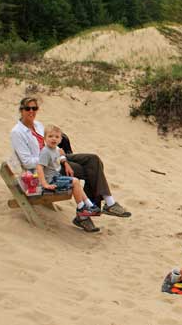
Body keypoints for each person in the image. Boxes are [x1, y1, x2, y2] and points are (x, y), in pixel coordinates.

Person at [9, 96, 132, 228]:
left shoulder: (38, 125)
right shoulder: (17, 132)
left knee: (93, 160)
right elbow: (27, 162)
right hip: (46, 168)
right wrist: (51, 157)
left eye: (35, 108)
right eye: (28, 108)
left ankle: (106, 204)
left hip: (56, 158)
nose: (31, 111)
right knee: (89, 170)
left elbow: (50, 145)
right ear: (21, 110)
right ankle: (90, 212)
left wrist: (63, 159)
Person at [36, 124, 103, 232]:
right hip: (51, 181)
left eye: (57, 137)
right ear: (45, 138)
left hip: (56, 177)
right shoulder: (45, 151)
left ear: (60, 139)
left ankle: (90, 205)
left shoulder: (55, 149)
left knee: (76, 184)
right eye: (50, 136)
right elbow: (39, 167)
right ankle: (82, 207)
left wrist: (65, 163)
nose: (54, 139)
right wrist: (44, 184)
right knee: (75, 181)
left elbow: (61, 155)